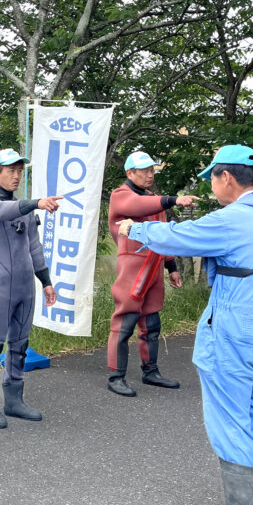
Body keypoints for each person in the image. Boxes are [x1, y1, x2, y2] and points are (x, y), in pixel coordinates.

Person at [118, 145, 253, 505]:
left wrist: (135, 229)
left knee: (230, 420)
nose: (213, 186)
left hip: (234, 331)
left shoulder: (234, 218)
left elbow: (180, 236)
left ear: (228, 178)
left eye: (213, 178)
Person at [0, 148, 61, 427]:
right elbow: (5, 210)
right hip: (0, 288)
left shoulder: (25, 209)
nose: (16, 175)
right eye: (10, 170)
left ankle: (14, 399)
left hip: (25, 288)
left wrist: (46, 281)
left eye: (20, 170)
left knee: (20, 345)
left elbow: (34, 247)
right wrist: (36, 203)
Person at [106, 150, 199, 397]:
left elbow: (163, 234)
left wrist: (172, 268)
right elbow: (135, 206)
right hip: (132, 268)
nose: (150, 174)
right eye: (144, 171)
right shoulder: (120, 195)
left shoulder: (154, 199)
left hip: (154, 268)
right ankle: (116, 377)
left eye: (151, 170)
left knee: (152, 323)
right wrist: (172, 199)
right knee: (124, 323)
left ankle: (151, 372)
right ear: (130, 173)